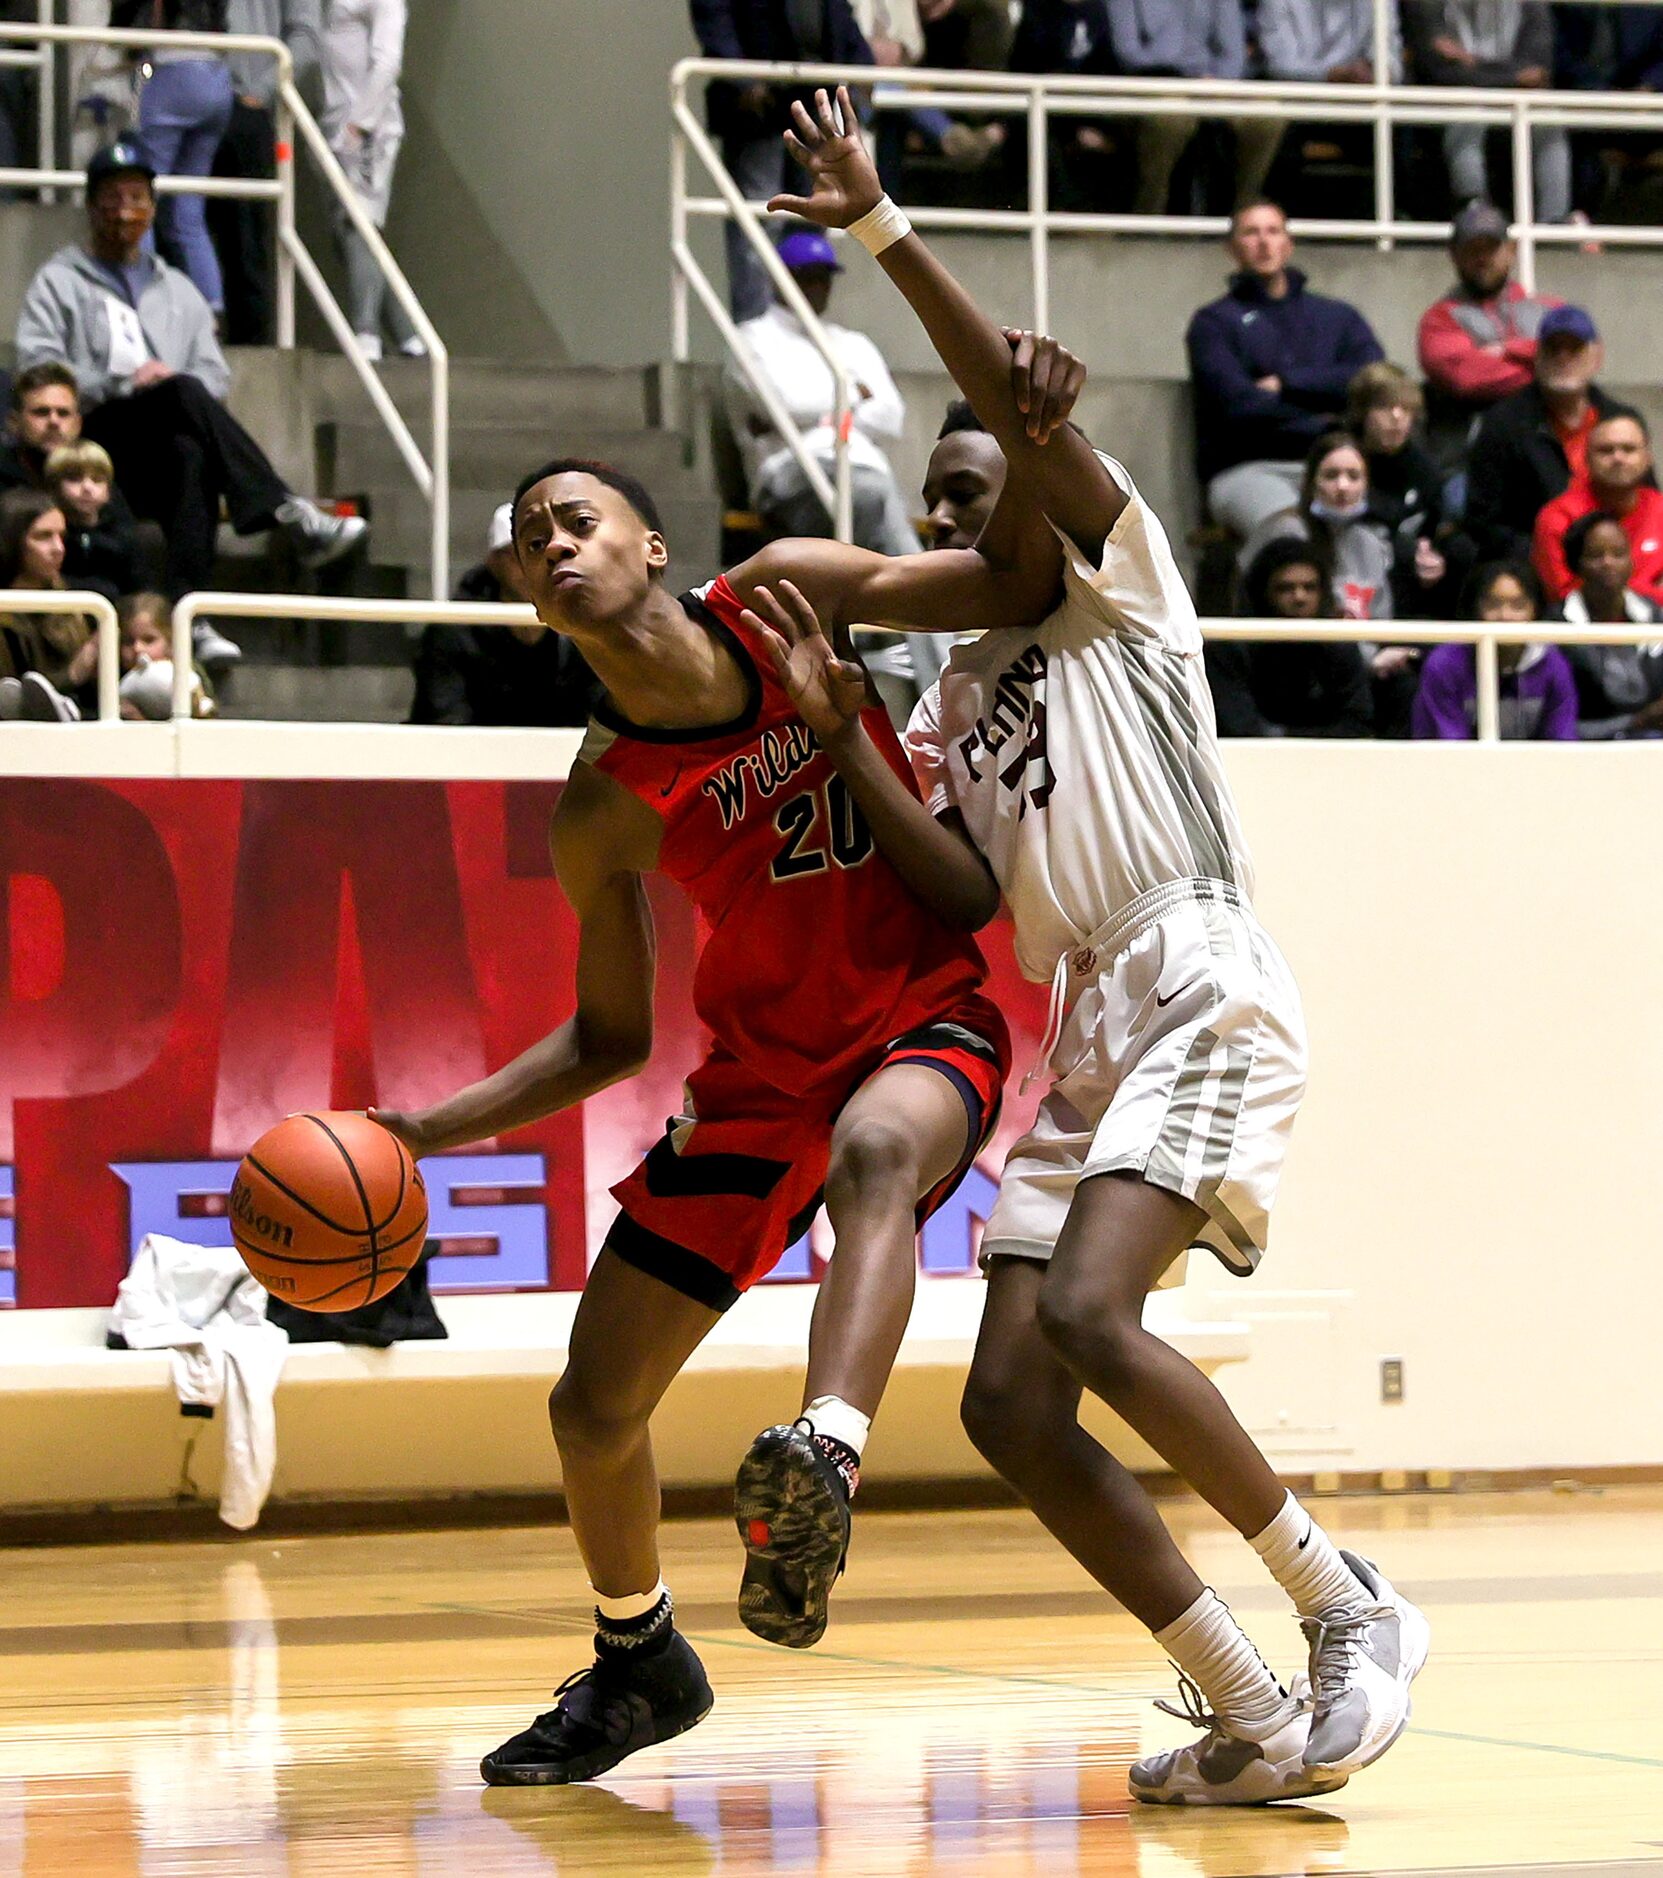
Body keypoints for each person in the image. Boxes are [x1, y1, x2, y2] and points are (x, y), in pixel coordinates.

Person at [757, 83, 1427, 1808]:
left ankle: (1344, 1600)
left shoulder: (1124, 579)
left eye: (991, 466)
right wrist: (838, 728)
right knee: (1005, 1400)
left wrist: (887, 235)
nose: (973, 492)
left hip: (1194, 962)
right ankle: (1246, 1701)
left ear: (1043, 478)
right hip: (1084, 1017)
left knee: (1091, 1311)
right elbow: (973, 903)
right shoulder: (956, 687)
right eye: (947, 485)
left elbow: (1006, 443)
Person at [367, 353, 1089, 1776]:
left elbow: (1005, 585)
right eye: (528, 544)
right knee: (589, 1405)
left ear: (651, 543)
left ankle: (821, 1451)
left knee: (876, 1156)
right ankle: (636, 1657)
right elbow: (610, 1038)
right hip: (759, 1076)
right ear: (524, 601)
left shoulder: (791, 592)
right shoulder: (599, 807)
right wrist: (418, 1128)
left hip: (914, 1014)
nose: (552, 546)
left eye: (573, 519)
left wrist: (1025, 430)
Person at [15, 141, 367, 596]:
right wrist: (120, 383)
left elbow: (213, 373)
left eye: (136, 198)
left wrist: (170, 384)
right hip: (93, 437)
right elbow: (36, 366)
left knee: (189, 450)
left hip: (156, 447)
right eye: (112, 199)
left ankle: (189, 611)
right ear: (91, 206)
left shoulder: (178, 288)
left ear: (153, 207)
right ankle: (280, 507)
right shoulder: (58, 280)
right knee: (179, 393)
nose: (125, 212)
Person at [726, 224, 939, 715]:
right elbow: (783, 398)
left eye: (823, 277)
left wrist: (825, 411)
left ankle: (888, 649)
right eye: (805, 276)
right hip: (790, 477)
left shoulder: (852, 342)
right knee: (885, 521)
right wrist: (849, 396)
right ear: (780, 279)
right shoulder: (751, 338)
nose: (815, 287)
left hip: (862, 473)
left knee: (871, 494)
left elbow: (892, 413)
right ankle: (910, 656)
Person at [1186, 200, 1385, 538]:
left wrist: (1288, 383)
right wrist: (1325, 416)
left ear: (1288, 243)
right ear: (1232, 248)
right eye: (1251, 232)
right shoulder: (1213, 324)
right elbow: (1238, 405)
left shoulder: (1337, 317)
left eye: (1273, 231)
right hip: (1249, 469)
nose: (1263, 242)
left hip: (1335, 465)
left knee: (1375, 535)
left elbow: (1371, 378)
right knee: (1291, 533)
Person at [689, 0, 874, 322]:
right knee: (760, 221)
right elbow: (713, 15)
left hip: (814, 106)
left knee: (813, 220)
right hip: (757, 110)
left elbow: (839, 17)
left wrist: (862, 67)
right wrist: (744, 81)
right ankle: (755, 327)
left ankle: (804, 329)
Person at [1464, 305, 1638, 563]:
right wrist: (1548, 554)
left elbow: (1646, 502)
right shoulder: (1502, 425)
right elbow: (1482, 521)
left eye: (1574, 349)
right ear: (1537, 355)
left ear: (1597, 355)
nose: (1563, 358)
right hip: (1532, 566)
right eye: (1553, 348)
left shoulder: (1623, 423)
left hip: (1618, 563)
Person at [409, 503, 599, 726]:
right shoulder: (454, 629)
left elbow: (598, 720)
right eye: (518, 555)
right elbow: (445, 722)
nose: (532, 566)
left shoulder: (585, 629)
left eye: (542, 551)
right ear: (493, 561)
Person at [110, 0, 235, 312]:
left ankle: (144, 300)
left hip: (170, 69)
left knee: (142, 197)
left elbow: (125, 17)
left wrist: (119, 32)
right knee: (188, 211)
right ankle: (212, 310)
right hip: (217, 77)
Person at [1104, 0, 1283, 216]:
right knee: (1171, 117)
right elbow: (1129, 55)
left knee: (1267, 115)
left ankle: (1245, 213)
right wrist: (1187, 77)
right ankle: (1149, 210)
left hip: (1213, 84)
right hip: (1155, 83)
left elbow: (1234, 54)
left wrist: (1218, 83)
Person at [213, 0, 324, 346]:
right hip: (190, 95)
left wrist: (257, 94)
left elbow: (305, 40)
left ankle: (251, 348)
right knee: (176, 227)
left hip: (246, 109)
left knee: (245, 240)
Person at [1403, 2, 1570, 226]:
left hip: (1514, 98)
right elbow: (1438, 70)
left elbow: (1537, 70)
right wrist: (1512, 76)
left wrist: (1471, 63)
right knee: (1468, 115)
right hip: (1455, 98)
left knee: (1549, 119)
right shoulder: (1430, 5)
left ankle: (1555, 220)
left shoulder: (1532, 5)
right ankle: (1475, 214)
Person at [322, 0, 422, 362]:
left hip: (367, 130)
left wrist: (360, 124)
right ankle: (410, 336)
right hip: (340, 125)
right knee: (345, 233)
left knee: (357, 226)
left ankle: (366, 333)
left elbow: (388, 61)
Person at [1208, 536, 1374, 737]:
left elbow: (1357, 722)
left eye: (1309, 587)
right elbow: (1239, 725)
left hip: (1329, 762)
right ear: (1263, 592)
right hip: (1253, 761)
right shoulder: (1231, 647)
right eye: (1285, 588)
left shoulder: (1338, 645)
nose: (1299, 597)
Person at [1417, 202, 1563, 423]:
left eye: (1491, 248)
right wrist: (1547, 367)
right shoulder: (1438, 320)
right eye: (1472, 249)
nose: (1482, 259)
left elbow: (1581, 357)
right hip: (1474, 437)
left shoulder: (1552, 309)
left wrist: (1507, 349)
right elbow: (1467, 378)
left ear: (1511, 250)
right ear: (1454, 255)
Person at [1238, 429, 1401, 621]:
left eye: (1353, 476)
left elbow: (1382, 618)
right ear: (1312, 483)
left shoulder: (1369, 543)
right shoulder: (1285, 531)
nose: (1342, 486)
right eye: (1331, 475)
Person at [1411, 560, 1577, 738]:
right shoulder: (1444, 664)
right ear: (1476, 609)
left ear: (1535, 611)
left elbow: (1563, 738)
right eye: (1493, 604)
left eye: (1518, 605)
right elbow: (1449, 746)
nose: (1505, 616)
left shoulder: (1552, 664)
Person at [1532, 412, 1663, 606]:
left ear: (1648, 457)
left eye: (1629, 449)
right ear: (1585, 460)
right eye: (1606, 450)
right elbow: (1566, 598)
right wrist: (1650, 590)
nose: (1618, 458)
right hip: (1580, 633)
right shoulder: (1558, 516)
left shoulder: (1660, 508)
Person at [1556, 512, 1663, 739]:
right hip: (1586, 745)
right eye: (1596, 555)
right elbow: (1561, 721)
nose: (1608, 563)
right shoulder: (1557, 624)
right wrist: (1637, 721)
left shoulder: (1655, 615)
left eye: (1618, 553)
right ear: (1576, 563)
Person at [0, 487, 94, 722]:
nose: (58, 549)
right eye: (43, 536)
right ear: (11, 542)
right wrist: (72, 674)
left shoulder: (75, 604)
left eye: (61, 536)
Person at [45, 438, 147, 602]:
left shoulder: (125, 537)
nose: (87, 488)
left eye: (97, 480)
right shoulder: (47, 537)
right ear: (53, 487)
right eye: (74, 479)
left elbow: (138, 593)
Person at [116, 587, 216, 719]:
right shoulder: (115, 678)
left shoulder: (186, 672)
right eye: (128, 641)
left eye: (149, 640)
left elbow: (204, 716)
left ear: (171, 643)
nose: (137, 648)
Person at [1257, 0, 1401, 86]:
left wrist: (1380, 71)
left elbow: (1391, 59)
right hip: (1299, 98)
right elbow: (1280, 65)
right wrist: (1332, 74)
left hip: (1361, 96)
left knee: (1400, 114)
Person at [1, 363, 85, 495]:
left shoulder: (93, 479)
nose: (54, 421)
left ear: (78, 424)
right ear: (14, 422)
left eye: (63, 413)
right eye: (41, 412)